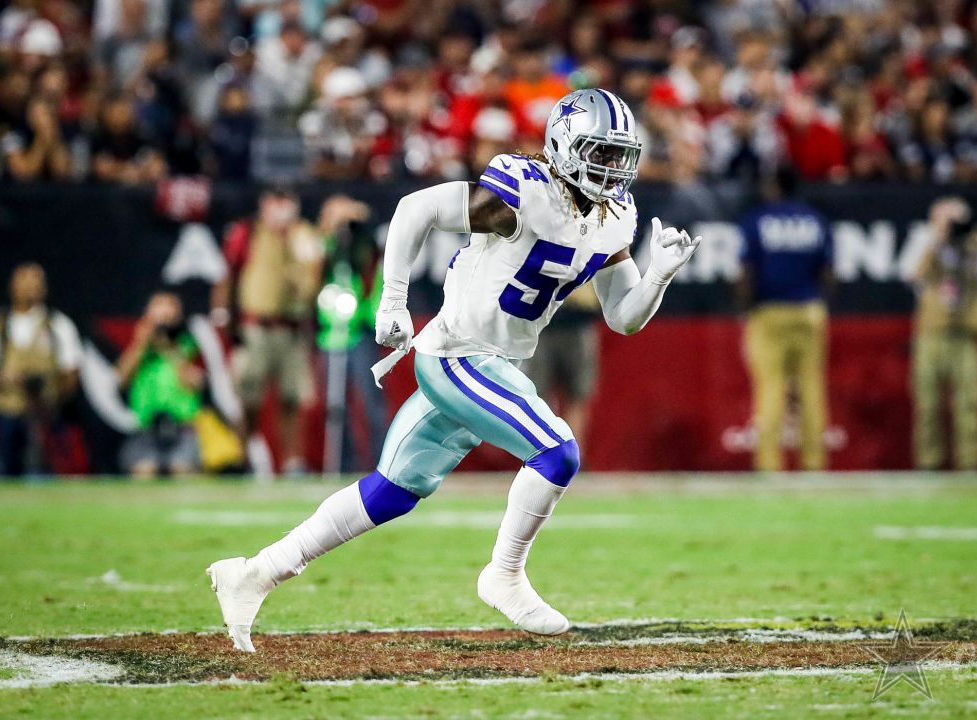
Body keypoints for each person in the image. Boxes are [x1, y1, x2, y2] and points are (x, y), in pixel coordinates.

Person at [207, 88, 702, 652]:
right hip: (458, 355)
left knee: (391, 491)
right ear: (564, 146)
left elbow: (622, 317)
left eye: (620, 156)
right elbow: (414, 209)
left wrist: (658, 277)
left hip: (497, 362)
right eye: (600, 152)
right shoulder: (525, 193)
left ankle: (253, 574)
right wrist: (392, 299)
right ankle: (505, 574)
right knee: (558, 451)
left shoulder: (615, 218)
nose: (613, 169)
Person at [212, 186, 324, 476]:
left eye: (286, 202)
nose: (281, 209)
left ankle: (292, 462)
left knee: (292, 398)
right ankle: (241, 457)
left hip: (292, 327)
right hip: (255, 326)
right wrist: (223, 316)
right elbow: (228, 273)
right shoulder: (247, 232)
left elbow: (314, 278)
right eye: (276, 202)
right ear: (265, 205)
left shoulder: (303, 235)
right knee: (248, 398)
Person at [736, 167, 835, 472]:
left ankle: (769, 465)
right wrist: (820, 304)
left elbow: (747, 273)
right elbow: (829, 273)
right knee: (811, 389)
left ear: (775, 186)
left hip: (770, 311)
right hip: (809, 309)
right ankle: (814, 463)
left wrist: (746, 308)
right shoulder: (815, 221)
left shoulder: (759, 220)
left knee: (770, 388)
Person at [911, 197, 977, 471]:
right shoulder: (927, 242)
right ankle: (928, 464)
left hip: (967, 335)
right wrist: (938, 238)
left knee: (970, 403)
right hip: (932, 332)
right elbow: (915, 274)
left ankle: (971, 464)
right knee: (927, 404)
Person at [0, 264, 82, 477]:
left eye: (37, 281)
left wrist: (51, 396)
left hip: (46, 416)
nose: (31, 286)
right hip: (7, 413)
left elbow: (71, 373)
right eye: (25, 281)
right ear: (13, 286)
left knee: (47, 477)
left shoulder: (58, 325)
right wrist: (7, 380)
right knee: (1, 476)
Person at [312, 196, 389, 474]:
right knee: (335, 405)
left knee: (372, 403)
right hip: (330, 334)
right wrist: (329, 225)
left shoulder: (367, 247)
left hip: (361, 333)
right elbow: (313, 254)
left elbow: (376, 280)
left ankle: (384, 464)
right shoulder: (326, 247)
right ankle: (343, 464)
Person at [115, 291, 205, 478]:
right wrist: (142, 344)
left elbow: (196, 382)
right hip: (146, 431)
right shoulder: (139, 350)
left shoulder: (190, 345)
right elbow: (120, 379)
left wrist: (167, 347)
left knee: (182, 470)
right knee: (144, 470)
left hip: (183, 430)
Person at [524, 284, 600, 445]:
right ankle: (549, 451)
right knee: (539, 396)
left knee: (577, 396)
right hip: (541, 324)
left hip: (579, 321)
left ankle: (572, 456)